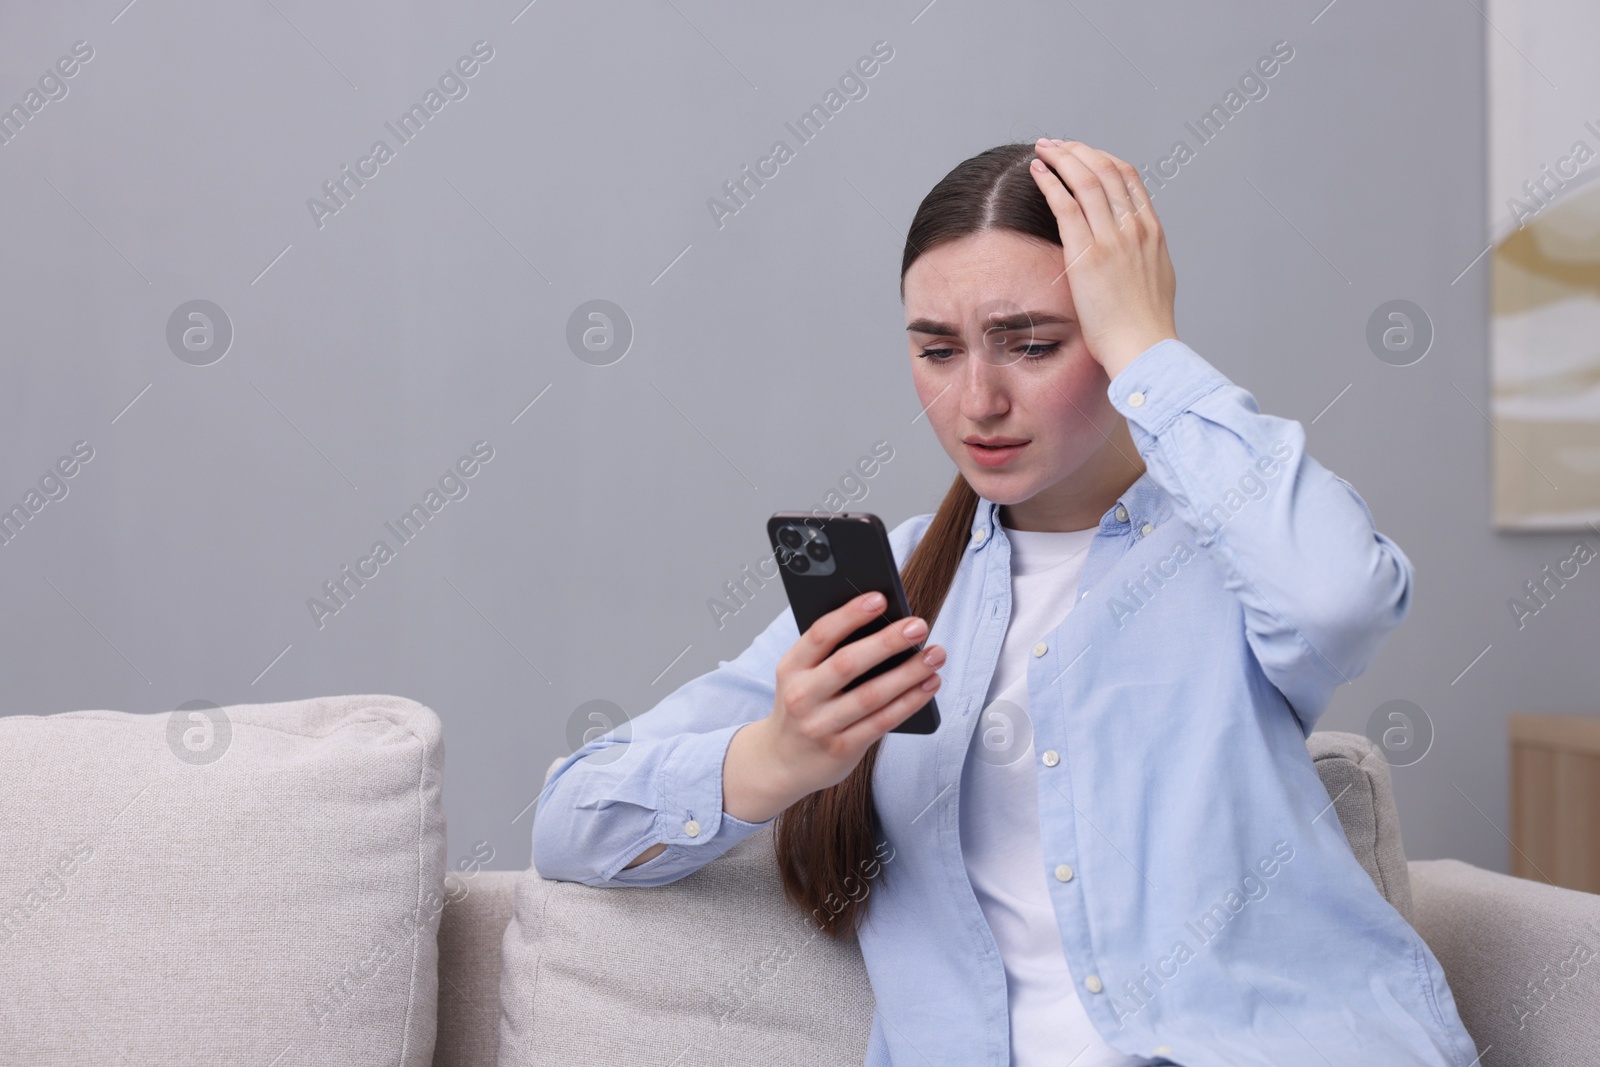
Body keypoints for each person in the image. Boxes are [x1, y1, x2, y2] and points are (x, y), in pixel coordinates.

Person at [532, 139, 1483, 1067]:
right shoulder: (898, 582)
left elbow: (1340, 600)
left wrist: (1150, 347)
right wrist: (777, 756)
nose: (978, 399)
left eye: (1030, 344)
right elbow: (572, 818)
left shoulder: (1229, 545)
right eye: (937, 351)